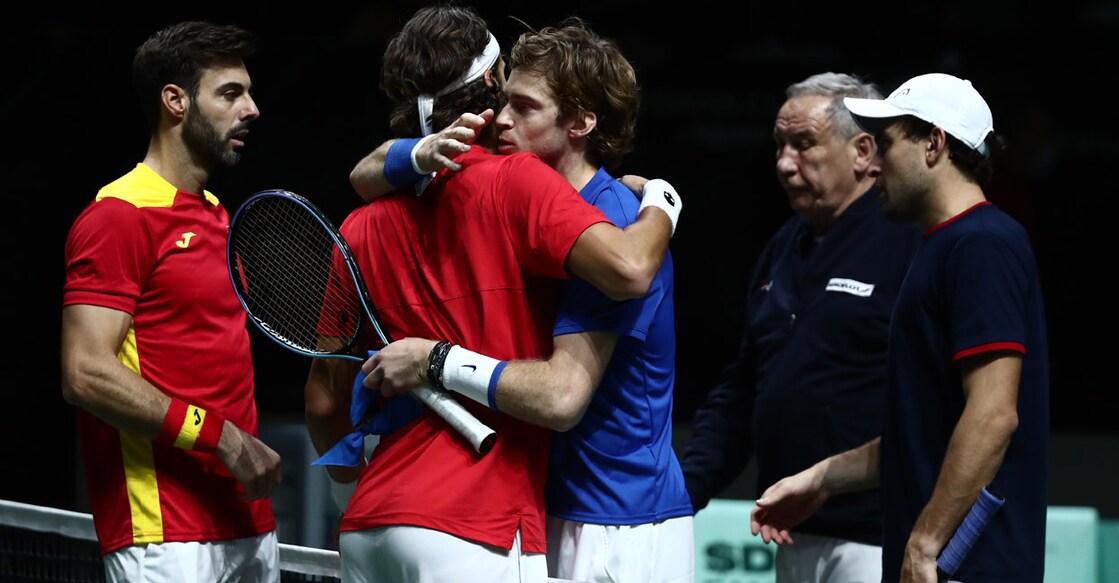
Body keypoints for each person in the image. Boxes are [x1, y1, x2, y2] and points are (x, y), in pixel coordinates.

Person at [302, 6, 680, 583]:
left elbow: (563, 394)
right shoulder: (515, 187)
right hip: (500, 514)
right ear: (482, 85)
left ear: (579, 123)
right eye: (503, 99)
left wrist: (660, 202)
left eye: (522, 107)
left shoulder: (615, 214)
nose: (502, 119)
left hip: (613, 520)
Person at [750, 72, 1050, 583]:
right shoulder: (940, 246)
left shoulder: (982, 245)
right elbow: (923, 433)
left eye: (886, 143)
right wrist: (820, 479)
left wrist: (926, 540)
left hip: (967, 563)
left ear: (934, 143)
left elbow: (993, 414)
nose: (872, 160)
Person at [60, 20, 281, 582]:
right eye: (230, 93)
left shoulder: (216, 214)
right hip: (166, 534)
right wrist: (222, 437)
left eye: (249, 92)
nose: (251, 108)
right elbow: (85, 373)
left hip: (248, 523)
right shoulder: (118, 216)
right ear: (175, 101)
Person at [679, 72, 922, 582]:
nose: (785, 164)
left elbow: (935, 399)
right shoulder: (784, 246)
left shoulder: (911, 242)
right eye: (780, 146)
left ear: (863, 151)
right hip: (791, 531)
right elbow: (746, 385)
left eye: (804, 144)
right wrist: (685, 489)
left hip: (883, 535)